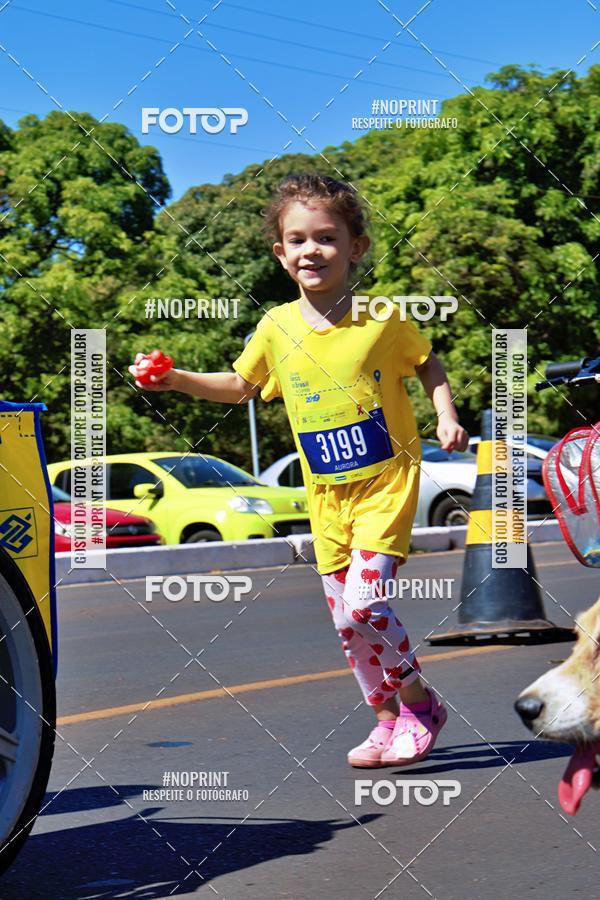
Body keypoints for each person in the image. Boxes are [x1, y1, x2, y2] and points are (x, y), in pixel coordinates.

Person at [129, 172, 469, 768]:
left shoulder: (382, 320)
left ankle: (420, 705)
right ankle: (385, 721)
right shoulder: (277, 327)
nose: (312, 250)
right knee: (344, 618)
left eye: (327, 238)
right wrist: (175, 379)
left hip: (384, 484)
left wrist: (446, 415)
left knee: (365, 604)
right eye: (298, 239)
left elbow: (429, 365)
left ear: (355, 247)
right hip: (325, 495)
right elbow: (240, 384)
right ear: (281, 254)